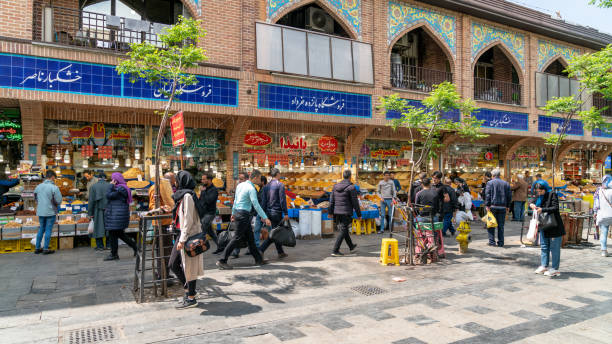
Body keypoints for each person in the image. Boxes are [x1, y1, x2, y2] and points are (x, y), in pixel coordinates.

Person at [217, 169, 271, 270]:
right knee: (236, 238)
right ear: (255, 178)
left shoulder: (240, 185)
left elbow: (236, 200)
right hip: (243, 215)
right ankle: (222, 260)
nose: (260, 180)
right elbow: (256, 204)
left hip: (238, 213)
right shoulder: (251, 188)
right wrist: (265, 217)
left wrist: (233, 213)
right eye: (259, 178)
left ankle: (258, 259)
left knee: (250, 239)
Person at [169, 171, 205, 309]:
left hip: (188, 236)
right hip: (181, 234)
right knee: (173, 264)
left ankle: (191, 297)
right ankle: (189, 291)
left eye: (177, 180)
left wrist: (182, 240)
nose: (175, 182)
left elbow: (188, 220)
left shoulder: (188, 196)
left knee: (190, 266)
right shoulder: (181, 196)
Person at [530, 183, 565, 277]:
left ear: (545, 188)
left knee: (554, 248)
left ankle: (554, 268)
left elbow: (555, 207)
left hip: (553, 225)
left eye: (541, 191)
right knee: (544, 246)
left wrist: (543, 209)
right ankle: (544, 265)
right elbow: (532, 200)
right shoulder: (539, 195)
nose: (539, 193)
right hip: (543, 225)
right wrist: (532, 205)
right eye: (538, 191)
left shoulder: (552, 194)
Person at [104, 173, 138, 261]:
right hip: (117, 215)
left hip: (116, 216)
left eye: (113, 179)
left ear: (115, 180)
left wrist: (111, 186)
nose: (111, 181)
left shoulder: (120, 189)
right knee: (118, 234)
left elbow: (108, 195)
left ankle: (114, 254)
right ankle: (134, 247)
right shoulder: (123, 188)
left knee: (113, 234)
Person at [148, 172, 175, 279]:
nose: (173, 184)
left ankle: (164, 273)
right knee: (163, 250)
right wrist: (163, 209)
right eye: (172, 181)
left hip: (166, 222)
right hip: (161, 223)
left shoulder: (164, 188)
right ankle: (162, 275)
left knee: (166, 250)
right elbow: (153, 206)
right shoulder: (156, 189)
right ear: (167, 180)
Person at [259, 168, 290, 259]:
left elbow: (263, 202)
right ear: (277, 174)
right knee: (275, 233)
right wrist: (286, 213)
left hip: (268, 213)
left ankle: (280, 252)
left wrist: (263, 215)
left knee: (275, 231)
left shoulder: (266, 186)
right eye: (279, 173)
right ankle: (261, 249)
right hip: (277, 212)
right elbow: (282, 200)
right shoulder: (280, 185)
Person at [329, 169, 361, 256]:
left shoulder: (335, 186)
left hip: (337, 212)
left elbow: (331, 200)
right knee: (343, 230)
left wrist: (330, 212)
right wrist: (359, 214)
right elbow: (355, 202)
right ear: (350, 177)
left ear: (343, 176)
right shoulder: (351, 187)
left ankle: (351, 246)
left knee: (344, 229)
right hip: (346, 212)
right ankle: (335, 250)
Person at [34, 170, 62, 254]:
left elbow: (35, 198)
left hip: (40, 211)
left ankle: (37, 248)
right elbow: (59, 200)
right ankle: (45, 248)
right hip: (50, 211)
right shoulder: (54, 187)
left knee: (41, 228)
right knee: (48, 229)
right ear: (52, 177)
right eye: (54, 177)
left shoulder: (38, 187)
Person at [485, 169, 512, 247]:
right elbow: (509, 196)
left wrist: (487, 205)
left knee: (491, 224)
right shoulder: (506, 184)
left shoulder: (490, 183)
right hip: (503, 207)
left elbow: (488, 195)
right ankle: (501, 242)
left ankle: (492, 242)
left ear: (493, 175)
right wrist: (508, 206)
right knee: (501, 226)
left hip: (493, 206)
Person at [197, 171, 219, 253]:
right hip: (203, 213)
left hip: (210, 213)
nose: (202, 181)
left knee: (202, 229)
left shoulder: (214, 190)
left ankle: (198, 249)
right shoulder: (204, 189)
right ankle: (221, 246)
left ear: (209, 180)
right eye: (202, 179)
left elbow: (209, 200)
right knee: (211, 232)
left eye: (204, 179)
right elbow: (201, 200)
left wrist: (203, 192)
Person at [88, 173, 110, 251]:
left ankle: (100, 246)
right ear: (106, 178)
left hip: (97, 210)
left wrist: (90, 213)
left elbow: (91, 202)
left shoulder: (93, 187)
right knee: (108, 227)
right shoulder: (110, 186)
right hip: (109, 210)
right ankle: (108, 245)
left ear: (98, 178)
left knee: (98, 227)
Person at [432, 172, 457, 236]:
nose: (434, 179)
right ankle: (451, 231)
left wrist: (439, 200)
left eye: (435, 178)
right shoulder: (431, 186)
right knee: (446, 221)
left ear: (439, 179)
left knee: (440, 224)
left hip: (440, 209)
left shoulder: (442, 187)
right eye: (433, 178)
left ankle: (441, 235)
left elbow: (447, 199)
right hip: (432, 209)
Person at [594, 175, 612, 257]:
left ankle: (604, 251)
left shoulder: (599, 190)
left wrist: (595, 212)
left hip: (603, 215)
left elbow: (596, 204)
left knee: (603, 233)